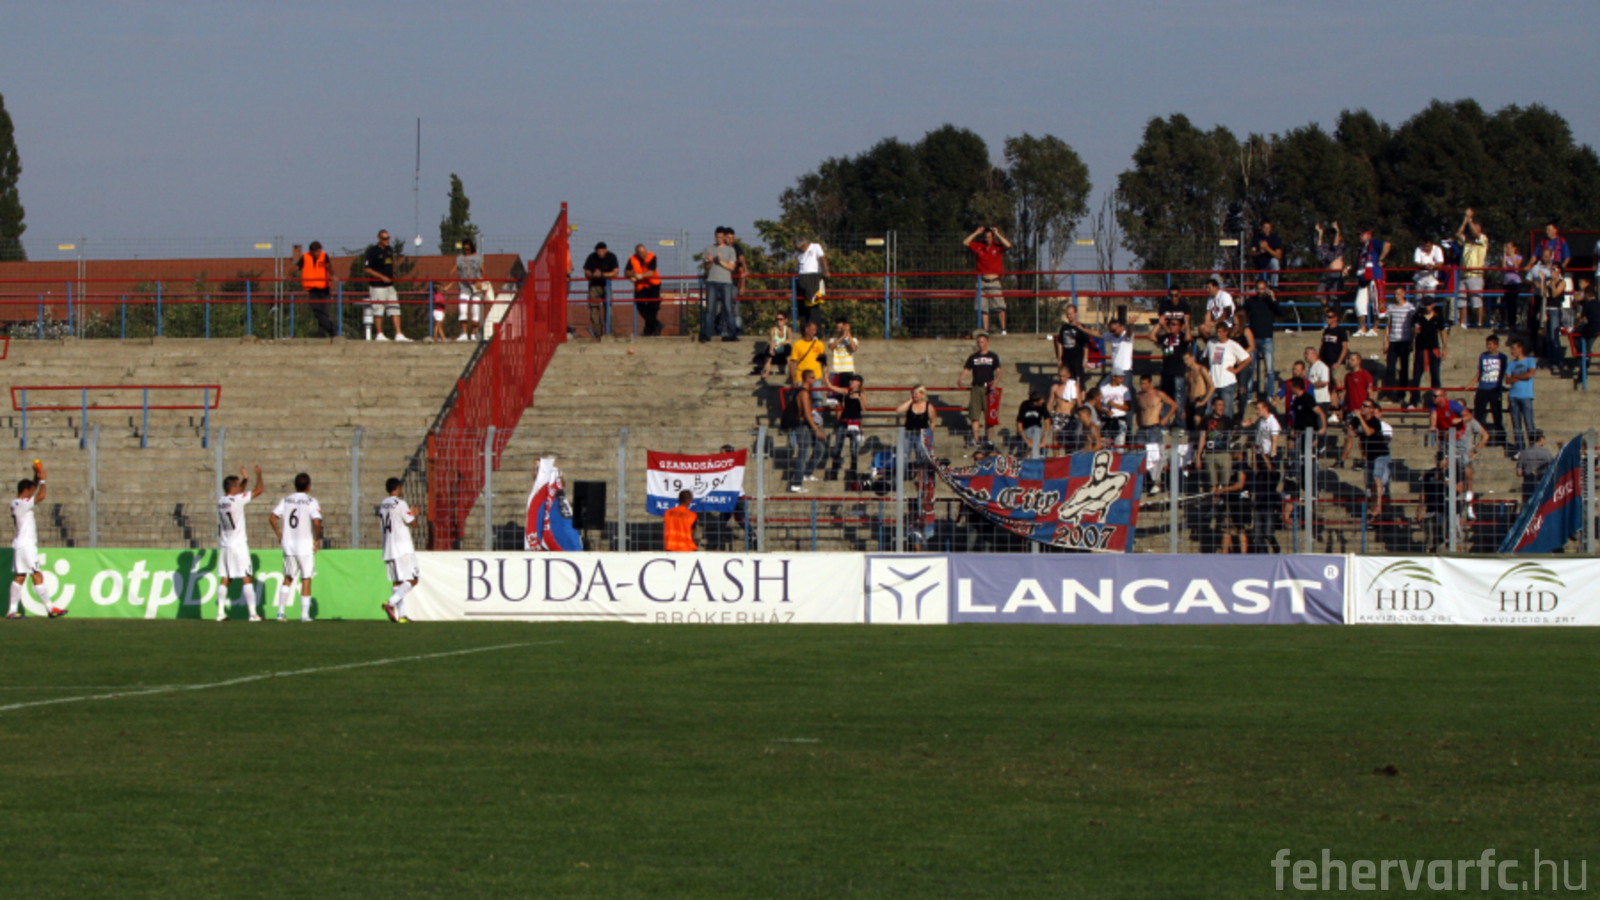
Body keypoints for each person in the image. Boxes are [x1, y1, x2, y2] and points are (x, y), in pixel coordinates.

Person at [8, 461, 63, 618]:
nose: (32, 492)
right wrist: (43, 480)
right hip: (26, 546)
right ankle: (50, 608)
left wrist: (36, 475)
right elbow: (41, 496)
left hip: (20, 544)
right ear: (25, 491)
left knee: (20, 577)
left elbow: (32, 490)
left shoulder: (17, 503)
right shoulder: (22, 504)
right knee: (37, 575)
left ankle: (12, 611)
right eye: (30, 490)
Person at [269, 473, 322, 623]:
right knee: (306, 577)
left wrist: (279, 534)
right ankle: (304, 615)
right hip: (304, 545)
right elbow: (316, 522)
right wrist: (317, 539)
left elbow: (272, 517)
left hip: (289, 544)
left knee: (288, 577)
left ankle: (280, 613)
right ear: (308, 486)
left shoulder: (286, 500)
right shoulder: (311, 501)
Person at [215, 464, 265, 622]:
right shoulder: (237, 500)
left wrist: (245, 479)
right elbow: (259, 490)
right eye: (238, 485)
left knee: (225, 578)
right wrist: (258, 475)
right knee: (247, 577)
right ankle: (252, 614)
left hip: (225, 545)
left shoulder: (221, 501)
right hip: (238, 545)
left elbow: (239, 492)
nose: (240, 487)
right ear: (233, 488)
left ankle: (220, 613)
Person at [782, 372, 826, 493]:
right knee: (803, 454)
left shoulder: (803, 392)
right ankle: (796, 483)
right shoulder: (804, 393)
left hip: (806, 425)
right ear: (807, 378)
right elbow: (806, 413)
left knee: (819, 448)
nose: (815, 379)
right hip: (802, 426)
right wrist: (816, 430)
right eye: (812, 377)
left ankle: (807, 473)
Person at [1240, 280, 1284, 401]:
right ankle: (1248, 395)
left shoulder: (1270, 302)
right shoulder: (1251, 301)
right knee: (1250, 368)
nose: (1261, 291)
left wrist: (1273, 299)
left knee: (1269, 370)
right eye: (1258, 288)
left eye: (1263, 288)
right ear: (1255, 289)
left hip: (1267, 339)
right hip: (1253, 339)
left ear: (1266, 289)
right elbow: (1241, 313)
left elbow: (1281, 313)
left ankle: (1269, 394)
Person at [964, 226, 1012, 334]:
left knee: (1000, 306)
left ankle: (1003, 329)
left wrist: (998, 234)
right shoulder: (979, 246)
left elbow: (1008, 245)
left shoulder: (997, 246)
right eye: (986, 237)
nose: (988, 239)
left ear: (993, 237)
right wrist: (976, 232)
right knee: (983, 307)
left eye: (990, 237)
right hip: (981, 281)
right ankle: (986, 330)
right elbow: (966, 242)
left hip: (994, 281)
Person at [1134, 375, 1177, 493]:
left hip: (1154, 427)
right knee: (1141, 454)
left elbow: (1174, 405)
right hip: (1142, 428)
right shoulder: (1139, 396)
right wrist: (1138, 422)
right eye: (1141, 383)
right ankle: (1144, 482)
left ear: (1150, 383)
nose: (1142, 386)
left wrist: (1166, 418)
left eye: (1144, 383)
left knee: (1155, 455)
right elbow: (1138, 410)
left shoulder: (1158, 394)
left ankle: (1156, 482)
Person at [957, 333, 1002, 446]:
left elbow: (999, 371)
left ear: (987, 343)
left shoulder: (993, 356)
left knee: (989, 415)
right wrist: (961, 379)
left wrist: (996, 381)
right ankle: (976, 439)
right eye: (978, 342)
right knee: (974, 415)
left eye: (982, 342)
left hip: (989, 388)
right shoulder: (973, 357)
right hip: (976, 387)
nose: (980, 344)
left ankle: (989, 439)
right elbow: (966, 370)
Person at [364, 229, 407, 341]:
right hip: (377, 286)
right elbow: (367, 269)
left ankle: (398, 334)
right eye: (384, 238)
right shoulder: (372, 251)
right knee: (378, 309)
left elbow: (391, 263)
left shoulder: (389, 250)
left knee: (395, 308)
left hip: (390, 285)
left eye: (388, 238)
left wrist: (393, 273)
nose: (387, 240)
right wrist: (381, 277)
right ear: (379, 239)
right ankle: (379, 334)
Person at [1150, 298, 1191, 415]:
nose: (1171, 326)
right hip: (1166, 372)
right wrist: (1160, 323)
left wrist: (1187, 323)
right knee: (1165, 399)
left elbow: (1188, 338)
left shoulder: (1181, 337)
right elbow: (1151, 336)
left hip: (1178, 373)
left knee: (1179, 400)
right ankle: (1165, 422)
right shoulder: (1166, 337)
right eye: (1170, 324)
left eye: (1174, 324)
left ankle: (1179, 423)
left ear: (1179, 326)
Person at [1353, 401, 1393, 521]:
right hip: (1370, 456)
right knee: (1371, 484)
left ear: (1372, 409)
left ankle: (1378, 507)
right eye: (1362, 405)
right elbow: (1354, 435)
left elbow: (1369, 432)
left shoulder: (1376, 422)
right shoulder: (1358, 420)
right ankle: (1374, 509)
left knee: (1377, 479)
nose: (1362, 407)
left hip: (1381, 454)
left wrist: (1360, 418)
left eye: (1366, 406)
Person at [1467, 334, 1509, 448]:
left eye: (1490, 344)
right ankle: (1473, 437)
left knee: (1497, 414)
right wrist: (1470, 384)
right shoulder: (1483, 356)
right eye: (1488, 344)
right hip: (1483, 388)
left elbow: (1505, 372)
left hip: (1495, 389)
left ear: (1496, 345)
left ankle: (1502, 438)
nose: (1488, 346)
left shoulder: (1502, 357)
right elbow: (1480, 372)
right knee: (1478, 414)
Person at [1206, 322, 1251, 418]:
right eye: (1217, 332)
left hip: (1227, 382)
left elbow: (1247, 359)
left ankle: (1227, 428)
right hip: (1212, 382)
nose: (1218, 334)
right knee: (1209, 411)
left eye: (1220, 332)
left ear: (1226, 332)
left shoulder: (1232, 345)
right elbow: (1204, 358)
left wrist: (1236, 370)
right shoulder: (1210, 343)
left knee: (1227, 411)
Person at [825, 374, 865, 476]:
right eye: (851, 381)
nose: (851, 382)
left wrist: (859, 398)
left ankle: (853, 472)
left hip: (855, 422)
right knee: (838, 447)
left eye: (853, 381)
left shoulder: (862, 394)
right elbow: (831, 387)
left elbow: (864, 408)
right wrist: (826, 376)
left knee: (854, 449)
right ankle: (834, 472)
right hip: (844, 421)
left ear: (859, 383)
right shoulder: (847, 391)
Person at [1382, 287, 1417, 406]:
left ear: (1404, 294)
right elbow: (1389, 324)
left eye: (1399, 293)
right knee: (1390, 368)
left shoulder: (1410, 308)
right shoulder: (1391, 307)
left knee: (1404, 368)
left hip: (1404, 340)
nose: (1396, 296)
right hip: (1393, 340)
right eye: (1395, 293)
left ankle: (1402, 394)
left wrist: (1411, 341)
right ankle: (1389, 394)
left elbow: (1412, 326)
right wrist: (1385, 341)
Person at [294, 241, 337, 338]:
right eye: (317, 251)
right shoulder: (305, 257)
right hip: (312, 289)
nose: (319, 253)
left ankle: (322, 333)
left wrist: (333, 275)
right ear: (311, 252)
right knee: (317, 311)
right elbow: (296, 267)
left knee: (324, 312)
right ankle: (332, 330)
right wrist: (287, 275)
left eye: (319, 251)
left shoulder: (324, 256)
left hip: (324, 288)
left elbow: (328, 266)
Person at [1454, 210, 1489, 328]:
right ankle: (1463, 323)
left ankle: (1479, 323)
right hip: (1463, 274)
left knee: (1476, 301)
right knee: (1461, 300)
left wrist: (1470, 219)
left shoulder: (1483, 239)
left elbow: (1475, 232)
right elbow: (1458, 234)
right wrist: (1465, 221)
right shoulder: (1467, 242)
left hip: (1475, 274)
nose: (1472, 230)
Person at [1355, 227, 1392, 336]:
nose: (1360, 237)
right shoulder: (1361, 248)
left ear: (1368, 234)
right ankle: (1362, 328)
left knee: (1377, 302)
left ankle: (1375, 328)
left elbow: (1387, 245)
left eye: (1362, 234)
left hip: (1375, 276)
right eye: (1359, 235)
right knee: (1359, 303)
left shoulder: (1374, 243)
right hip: (1363, 278)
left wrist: (1381, 259)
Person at [582, 241, 620, 341]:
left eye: (602, 251)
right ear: (596, 251)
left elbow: (615, 272)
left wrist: (602, 275)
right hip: (594, 286)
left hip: (606, 285)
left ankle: (611, 333)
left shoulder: (611, 257)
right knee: (594, 309)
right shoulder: (591, 257)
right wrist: (593, 275)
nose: (600, 253)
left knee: (608, 308)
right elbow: (586, 272)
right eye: (599, 251)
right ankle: (598, 335)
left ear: (606, 250)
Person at [1505, 338, 1537, 452]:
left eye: (1514, 349)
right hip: (1513, 396)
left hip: (1526, 396)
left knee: (1529, 424)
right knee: (1516, 426)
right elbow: (1507, 380)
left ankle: (1533, 448)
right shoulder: (1511, 364)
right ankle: (1520, 448)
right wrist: (1522, 376)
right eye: (1511, 349)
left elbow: (1530, 375)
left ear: (1520, 349)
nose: (1512, 351)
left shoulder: (1530, 360)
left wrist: (1516, 376)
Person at [626, 244, 663, 337]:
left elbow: (651, 272)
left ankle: (648, 331)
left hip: (653, 284)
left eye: (644, 252)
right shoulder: (632, 258)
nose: (643, 254)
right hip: (640, 286)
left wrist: (641, 276)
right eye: (641, 253)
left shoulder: (652, 257)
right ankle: (656, 325)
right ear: (637, 253)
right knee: (640, 305)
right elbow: (626, 272)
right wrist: (633, 275)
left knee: (654, 307)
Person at [1054, 305, 1099, 383]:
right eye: (1068, 314)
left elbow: (1086, 344)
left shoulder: (1081, 327)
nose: (1069, 316)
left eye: (1071, 314)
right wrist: (1060, 358)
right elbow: (1060, 343)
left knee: (1078, 381)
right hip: (1066, 359)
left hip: (1077, 359)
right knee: (1066, 381)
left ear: (1075, 313)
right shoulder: (1064, 328)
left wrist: (1085, 359)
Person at [1411, 298, 1448, 391]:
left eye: (1429, 305)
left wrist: (1445, 348)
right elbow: (1412, 328)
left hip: (1433, 348)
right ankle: (1414, 398)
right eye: (1425, 305)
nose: (1427, 307)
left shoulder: (1437, 316)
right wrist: (1415, 331)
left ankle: (1436, 396)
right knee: (1416, 376)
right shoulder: (1418, 315)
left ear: (1433, 305)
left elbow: (1442, 331)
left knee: (1435, 376)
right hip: (1421, 348)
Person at [795, 235, 829, 331]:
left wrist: (826, 270)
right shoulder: (800, 253)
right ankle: (804, 331)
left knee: (813, 308)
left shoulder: (815, 246)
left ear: (804, 245)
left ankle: (817, 332)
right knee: (802, 307)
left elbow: (822, 258)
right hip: (802, 278)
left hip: (813, 279)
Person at [1048, 367, 1080, 455]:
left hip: (1069, 415)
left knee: (1070, 439)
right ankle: (1056, 459)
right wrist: (1049, 414)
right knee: (1055, 438)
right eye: (1060, 376)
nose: (1061, 378)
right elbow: (1050, 402)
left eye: (1063, 376)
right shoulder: (1055, 387)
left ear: (1068, 375)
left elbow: (1079, 402)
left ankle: (1069, 458)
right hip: (1058, 414)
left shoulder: (1074, 387)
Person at [1314, 222, 1346, 310]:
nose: (1333, 236)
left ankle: (1337, 317)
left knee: (1335, 298)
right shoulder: (1326, 246)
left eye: (1335, 234)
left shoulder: (1341, 246)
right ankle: (1329, 315)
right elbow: (1319, 250)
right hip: (1325, 273)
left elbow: (1336, 247)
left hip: (1336, 275)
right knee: (1322, 297)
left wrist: (1337, 231)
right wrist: (1320, 234)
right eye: (1332, 234)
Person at [787, 319, 826, 387]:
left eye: (815, 330)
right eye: (813, 330)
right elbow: (792, 363)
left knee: (817, 394)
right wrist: (793, 378)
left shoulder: (819, 344)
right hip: (801, 378)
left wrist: (825, 377)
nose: (815, 332)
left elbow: (824, 363)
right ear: (807, 330)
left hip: (816, 377)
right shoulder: (797, 344)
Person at [1516, 429, 1554, 500]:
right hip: (1542, 486)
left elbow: (1519, 472)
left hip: (1528, 486)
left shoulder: (1523, 453)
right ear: (1542, 439)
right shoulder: (1547, 454)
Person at [1097, 371, 1130, 447]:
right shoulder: (1103, 389)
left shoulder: (1125, 390)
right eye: (1120, 377)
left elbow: (1128, 407)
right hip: (1106, 420)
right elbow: (1098, 406)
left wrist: (1115, 405)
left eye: (1123, 377)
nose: (1122, 379)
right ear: (1113, 377)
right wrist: (1105, 412)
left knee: (1119, 446)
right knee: (1104, 446)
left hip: (1120, 419)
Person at [827, 318, 859, 393]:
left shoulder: (853, 340)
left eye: (841, 328)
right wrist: (842, 337)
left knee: (848, 393)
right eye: (838, 328)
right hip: (836, 371)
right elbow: (831, 347)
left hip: (848, 370)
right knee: (836, 395)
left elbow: (854, 348)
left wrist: (848, 334)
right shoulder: (833, 340)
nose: (839, 330)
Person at [1015, 390, 1049, 457]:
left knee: (1035, 431)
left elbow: (1048, 422)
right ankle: (1032, 454)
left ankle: (1033, 455)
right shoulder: (1025, 405)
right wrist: (1026, 439)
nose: (1043, 401)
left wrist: (1043, 440)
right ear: (1035, 402)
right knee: (1029, 433)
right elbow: (1019, 423)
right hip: (1026, 429)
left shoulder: (1042, 405)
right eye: (1041, 400)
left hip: (1037, 428)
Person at [1251, 220, 1284, 287]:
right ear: (1261, 228)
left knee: (1275, 262)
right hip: (1260, 267)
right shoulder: (1256, 238)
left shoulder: (1275, 238)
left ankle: (1274, 285)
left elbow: (1279, 255)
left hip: (1270, 266)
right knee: (1261, 286)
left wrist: (1267, 248)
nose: (1267, 230)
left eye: (1268, 228)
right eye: (1265, 228)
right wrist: (1261, 252)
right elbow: (1252, 253)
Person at [1500, 242, 1524, 332]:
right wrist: (1505, 254)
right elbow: (1503, 268)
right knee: (1506, 303)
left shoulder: (1519, 257)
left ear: (1514, 248)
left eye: (1510, 247)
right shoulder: (1503, 257)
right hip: (1506, 282)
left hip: (1515, 282)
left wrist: (1512, 256)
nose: (1508, 249)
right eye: (1507, 247)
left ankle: (1512, 323)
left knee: (1513, 303)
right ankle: (1505, 322)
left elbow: (1516, 266)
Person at [1103, 319, 1134, 386]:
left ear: (1119, 326)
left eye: (1114, 330)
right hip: (1115, 371)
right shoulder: (1111, 336)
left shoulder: (1126, 336)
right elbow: (1098, 334)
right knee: (1102, 387)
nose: (1112, 333)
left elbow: (1129, 333)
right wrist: (1082, 328)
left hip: (1125, 370)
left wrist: (1130, 325)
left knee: (1125, 390)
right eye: (1110, 331)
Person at [761, 313, 792, 378]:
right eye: (777, 319)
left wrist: (778, 343)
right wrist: (771, 349)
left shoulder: (788, 329)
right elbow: (771, 341)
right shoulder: (773, 329)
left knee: (788, 348)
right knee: (768, 349)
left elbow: (790, 340)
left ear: (785, 320)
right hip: (775, 352)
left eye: (781, 319)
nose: (779, 321)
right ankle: (767, 371)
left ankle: (790, 372)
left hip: (783, 351)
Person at [1303, 346, 1332, 413]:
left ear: (1313, 354)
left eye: (1306, 353)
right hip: (1312, 400)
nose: (1304, 355)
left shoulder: (1321, 366)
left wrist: (1309, 386)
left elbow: (1324, 382)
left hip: (1320, 401)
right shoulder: (1309, 368)